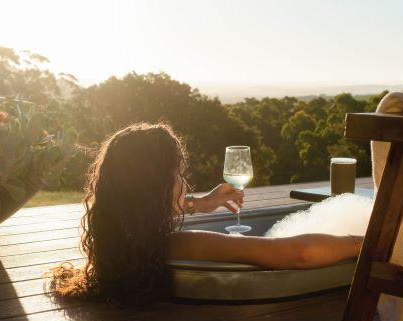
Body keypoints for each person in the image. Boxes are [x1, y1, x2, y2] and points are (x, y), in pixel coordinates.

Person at [48, 122, 363, 305]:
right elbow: (300, 254)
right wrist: (366, 240)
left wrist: (198, 204)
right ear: (154, 187)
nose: (186, 185)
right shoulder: (180, 244)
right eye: (179, 177)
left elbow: (146, 209)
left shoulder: (122, 243)